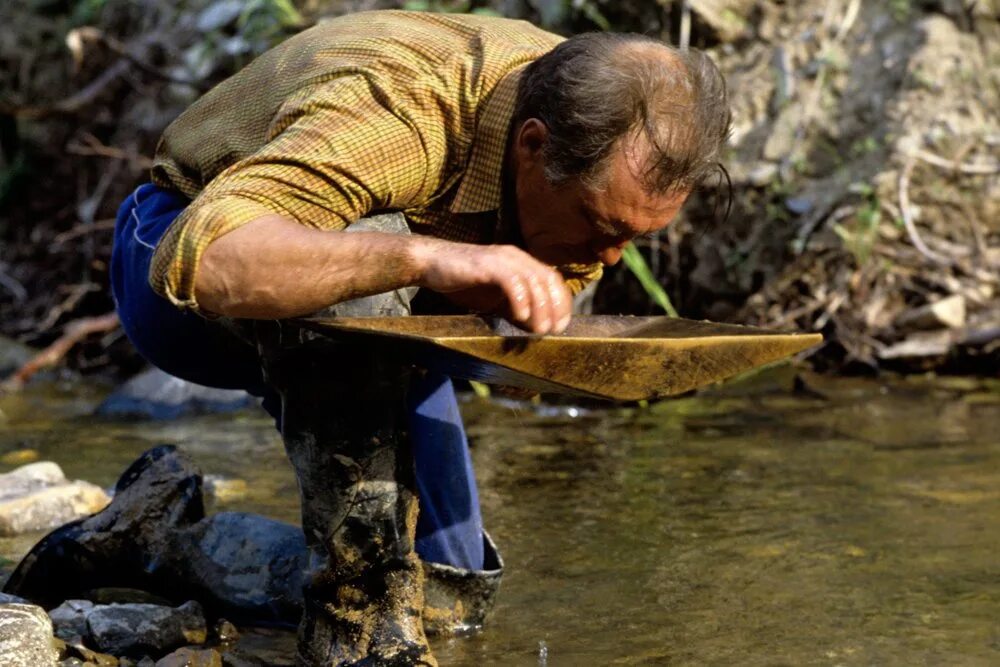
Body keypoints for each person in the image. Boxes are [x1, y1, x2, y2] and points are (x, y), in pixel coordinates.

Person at [109, 9, 730, 666]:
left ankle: (159, 533)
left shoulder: (596, 110)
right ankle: (354, 620)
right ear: (532, 144)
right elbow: (207, 260)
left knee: (448, 592)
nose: (609, 260)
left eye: (634, 238)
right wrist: (429, 261)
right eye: (598, 225)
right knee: (370, 256)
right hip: (173, 264)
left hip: (382, 315)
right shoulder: (402, 112)